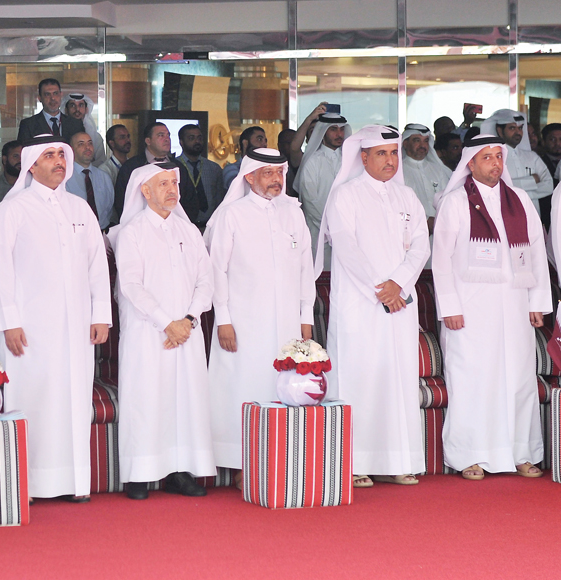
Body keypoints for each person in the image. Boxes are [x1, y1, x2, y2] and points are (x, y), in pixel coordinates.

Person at [0, 135, 111, 502]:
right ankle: (27, 484)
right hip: (28, 328)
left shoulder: (79, 209)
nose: (59, 161)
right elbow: (0, 270)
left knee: (73, 400)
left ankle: (73, 483)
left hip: (76, 327)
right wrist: (8, 322)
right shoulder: (12, 210)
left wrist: (101, 313)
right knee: (33, 398)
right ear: (31, 164)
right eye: (49, 155)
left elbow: (97, 266)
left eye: (62, 154)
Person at [317, 125, 430, 489]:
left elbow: (421, 246)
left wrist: (399, 283)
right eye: (381, 153)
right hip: (361, 305)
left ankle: (399, 460)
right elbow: (347, 248)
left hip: (400, 302)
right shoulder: (345, 196)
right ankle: (356, 462)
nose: (390, 160)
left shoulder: (407, 196)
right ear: (362, 157)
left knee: (396, 379)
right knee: (359, 377)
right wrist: (382, 289)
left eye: (393, 153)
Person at [434, 135, 551, 481]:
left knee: (518, 379)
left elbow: (536, 252)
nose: (495, 164)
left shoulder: (520, 201)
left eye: (498, 157)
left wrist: (537, 301)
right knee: (473, 380)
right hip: (469, 312)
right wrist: (450, 306)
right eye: (486, 158)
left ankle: (522, 453)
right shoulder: (455, 202)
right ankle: (468, 455)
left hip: (514, 307)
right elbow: (440, 259)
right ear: (470, 163)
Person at [204, 149, 314, 486]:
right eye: (267, 174)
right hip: (242, 322)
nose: (276, 180)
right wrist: (223, 318)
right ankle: (242, 464)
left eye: (279, 173)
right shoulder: (232, 215)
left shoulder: (293, 214)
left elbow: (305, 268)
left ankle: (280, 461)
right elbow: (216, 269)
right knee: (244, 385)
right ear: (249, 176)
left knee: (281, 386)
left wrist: (305, 318)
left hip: (286, 324)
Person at [110, 162, 215, 500]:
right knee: (147, 398)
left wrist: (188, 319)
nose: (172, 190)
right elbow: (131, 285)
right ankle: (139, 475)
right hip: (148, 332)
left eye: (175, 183)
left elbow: (205, 281)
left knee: (185, 400)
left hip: (187, 331)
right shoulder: (133, 232)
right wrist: (166, 323)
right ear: (145, 191)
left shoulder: (190, 232)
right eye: (164, 184)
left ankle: (180, 472)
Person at [112, 122, 195, 225]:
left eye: (168, 135)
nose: (167, 139)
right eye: (161, 135)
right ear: (148, 141)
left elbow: (191, 201)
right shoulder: (132, 167)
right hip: (141, 229)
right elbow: (121, 202)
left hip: (174, 228)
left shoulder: (178, 167)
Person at [295, 112, 350, 265]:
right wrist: (332, 228)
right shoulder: (312, 162)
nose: (339, 134)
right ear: (322, 132)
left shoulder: (350, 161)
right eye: (333, 129)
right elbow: (310, 201)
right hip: (319, 233)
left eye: (341, 129)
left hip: (347, 234)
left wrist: (345, 229)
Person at [480, 110, 553, 221]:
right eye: (512, 128)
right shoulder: (492, 159)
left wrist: (515, 191)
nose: (518, 132)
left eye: (520, 128)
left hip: (533, 220)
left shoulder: (532, 157)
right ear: (500, 131)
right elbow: (495, 188)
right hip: (505, 220)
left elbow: (549, 186)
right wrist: (531, 180)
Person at [402, 124, 450, 234]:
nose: (422, 145)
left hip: (440, 230)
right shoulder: (399, 172)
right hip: (411, 232)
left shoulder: (438, 169)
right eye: (417, 140)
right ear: (405, 143)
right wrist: (425, 220)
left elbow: (448, 199)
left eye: (425, 141)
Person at [177, 124, 225, 225]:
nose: (197, 141)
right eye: (191, 138)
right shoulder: (175, 167)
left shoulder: (214, 168)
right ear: (181, 142)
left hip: (210, 225)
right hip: (182, 225)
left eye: (199, 138)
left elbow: (219, 200)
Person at [64, 132, 114, 229]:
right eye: (81, 144)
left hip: (101, 233)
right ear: (71, 150)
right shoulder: (64, 178)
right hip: (74, 234)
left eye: (90, 143)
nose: (87, 147)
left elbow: (109, 208)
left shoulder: (104, 177)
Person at [17, 79, 85, 143]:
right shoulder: (28, 125)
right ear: (39, 98)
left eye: (55, 93)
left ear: (61, 95)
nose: (52, 98)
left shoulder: (76, 124)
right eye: (47, 94)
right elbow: (23, 152)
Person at [64, 92, 106, 167]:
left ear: (86, 109)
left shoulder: (96, 138)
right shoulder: (59, 132)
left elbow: (100, 163)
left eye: (81, 105)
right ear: (66, 110)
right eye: (72, 105)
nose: (77, 109)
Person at [221, 126, 268, 191]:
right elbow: (239, 188)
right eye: (259, 139)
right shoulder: (231, 169)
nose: (264, 144)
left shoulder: (268, 168)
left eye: (265, 141)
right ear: (245, 143)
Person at [278, 128, 298, 196]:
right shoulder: (275, 165)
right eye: (289, 143)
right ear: (279, 145)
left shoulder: (306, 161)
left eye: (294, 143)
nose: (292, 146)